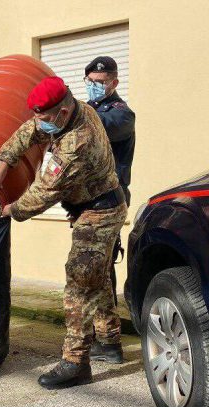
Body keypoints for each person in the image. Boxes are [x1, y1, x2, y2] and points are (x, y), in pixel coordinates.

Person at [0, 76, 128, 390]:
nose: (41, 124)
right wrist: (4, 161)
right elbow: (31, 128)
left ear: (62, 111)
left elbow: (46, 191)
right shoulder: (76, 110)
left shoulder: (78, 141)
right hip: (96, 206)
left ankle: (75, 362)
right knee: (96, 277)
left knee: (79, 283)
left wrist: (11, 211)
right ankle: (109, 341)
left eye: (47, 118)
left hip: (99, 213)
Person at [84, 56, 136, 364]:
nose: (93, 87)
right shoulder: (90, 111)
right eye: (89, 81)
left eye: (100, 82)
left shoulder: (120, 114)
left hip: (108, 200)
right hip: (88, 202)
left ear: (114, 83)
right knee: (93, 269)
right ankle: (99, 336)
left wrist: (77, 112)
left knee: (99, 270)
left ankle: (108, 341)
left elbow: (103, 128)